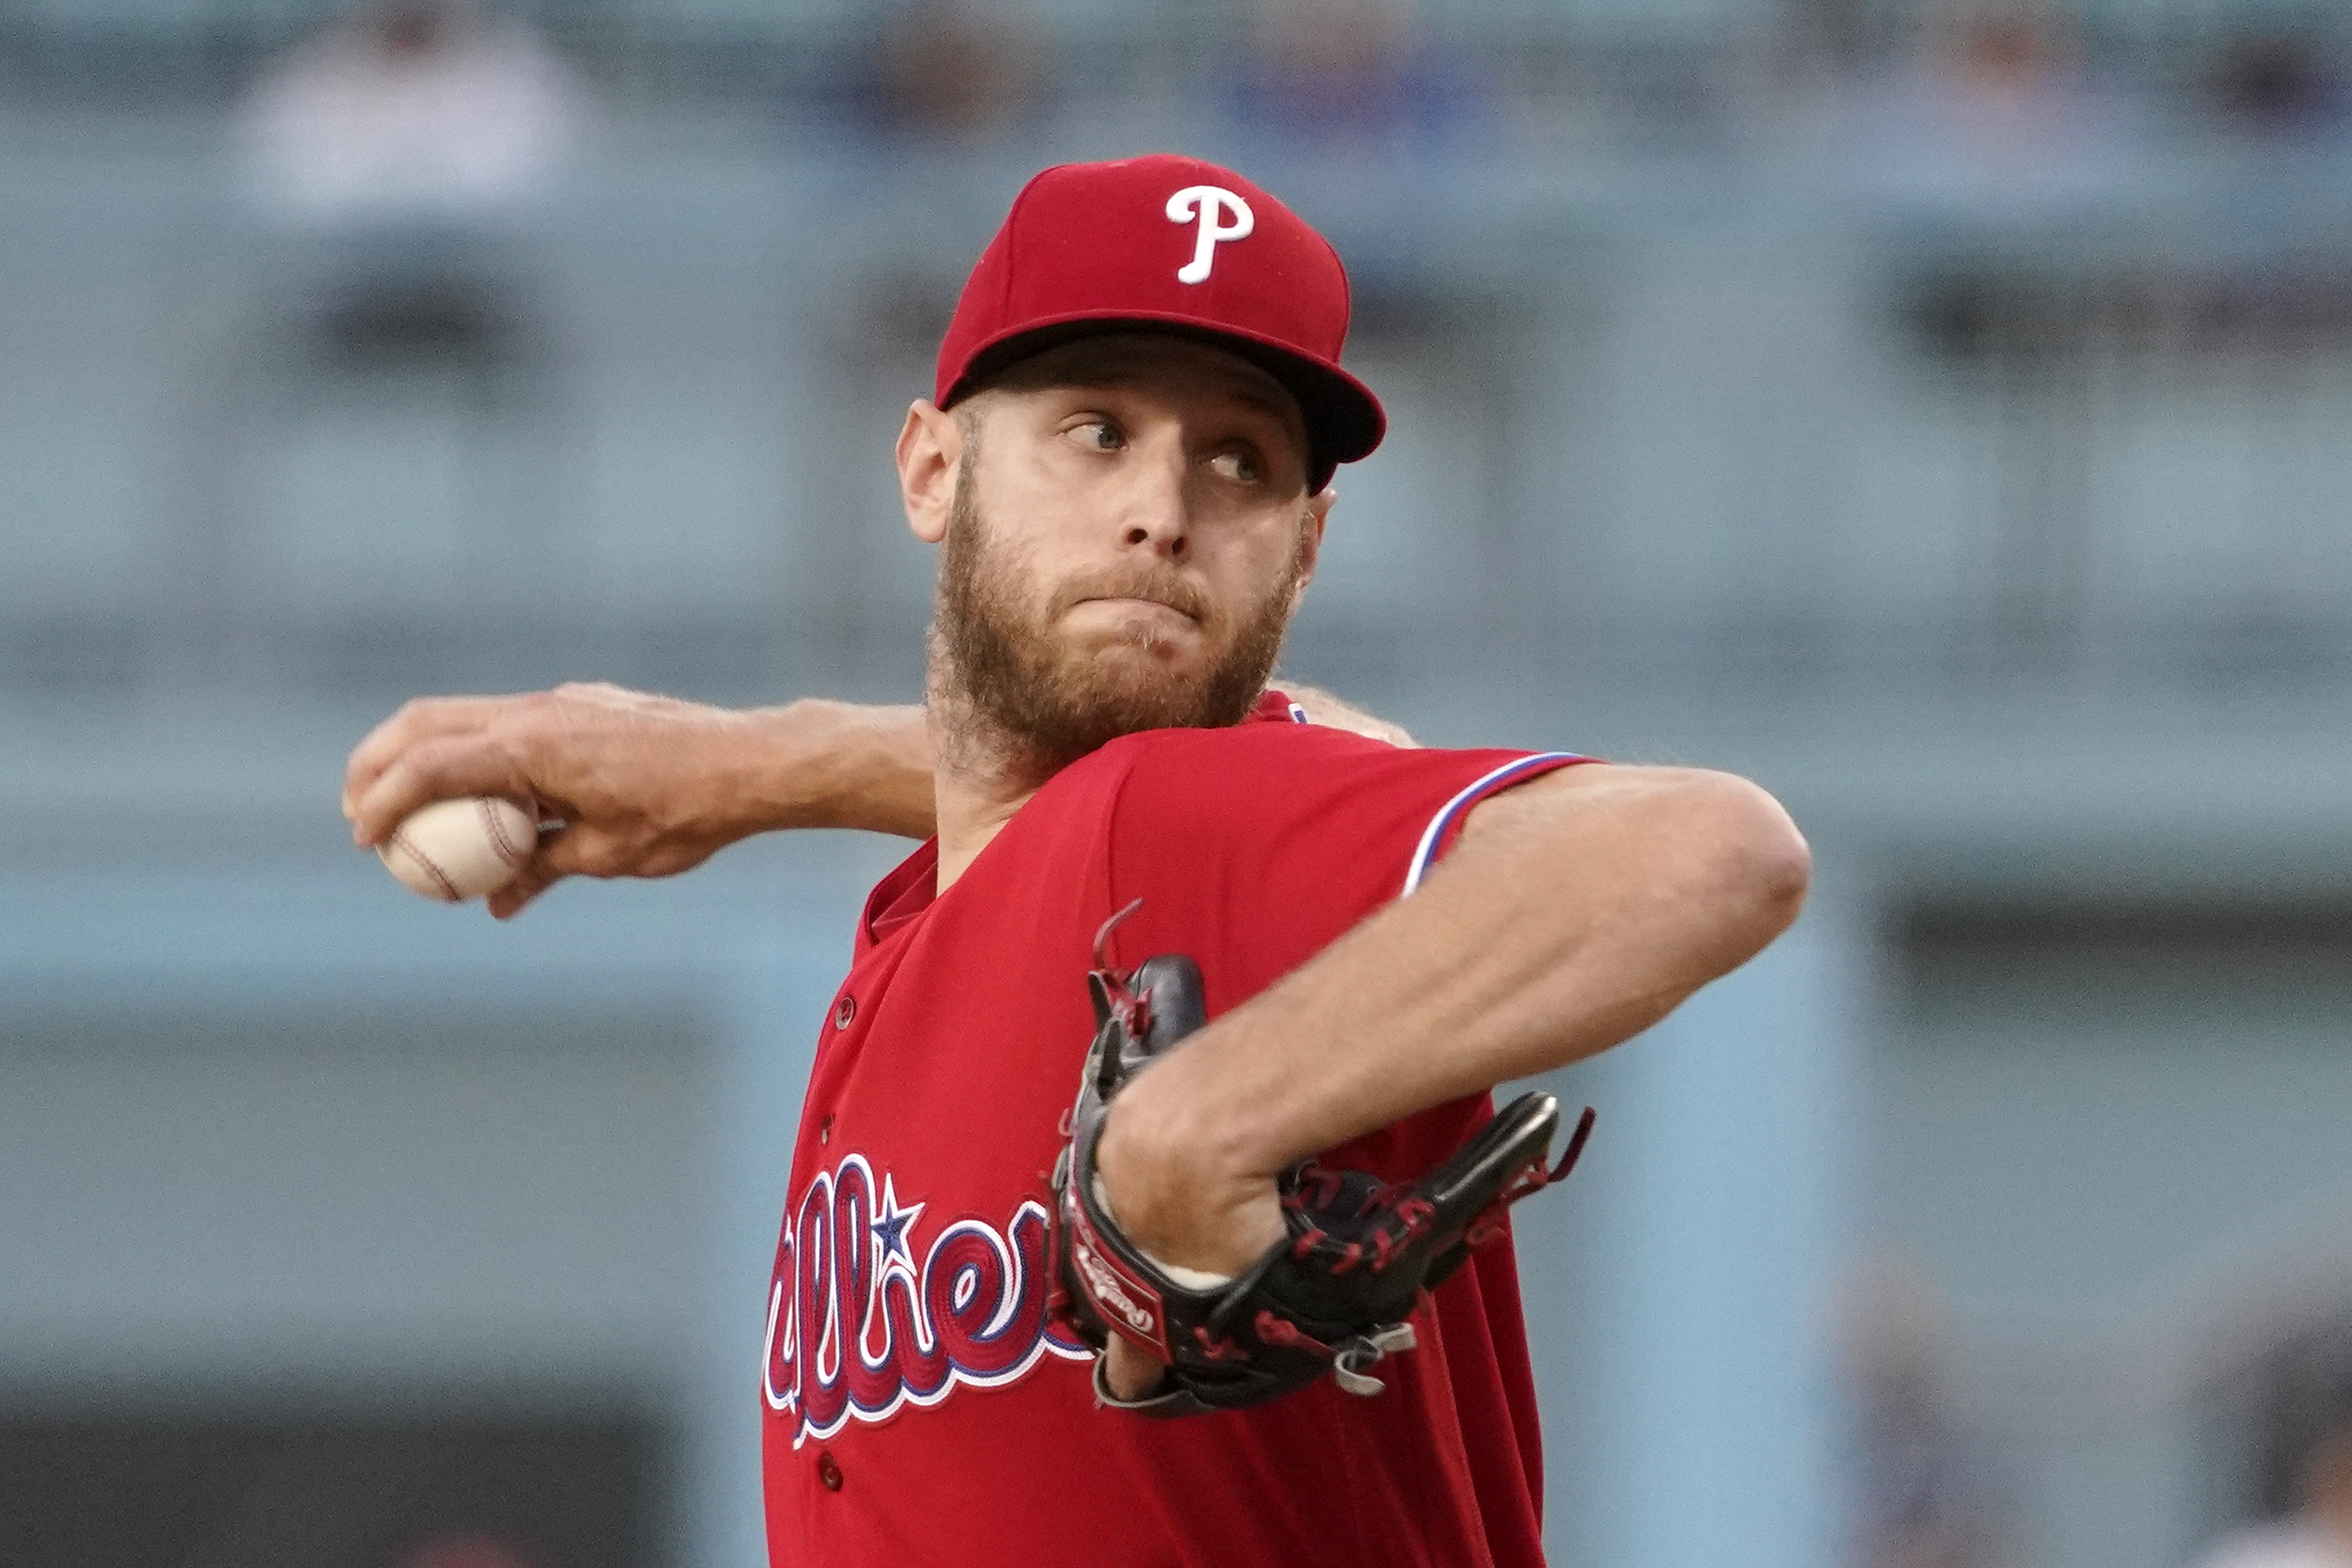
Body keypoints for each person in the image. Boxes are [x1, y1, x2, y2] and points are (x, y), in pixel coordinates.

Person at [343, 154, 1810, 1565]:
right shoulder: (929, 924)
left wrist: (1202, 1126)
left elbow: (1708, 847)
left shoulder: (1179, 829)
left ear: (1305, 551)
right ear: (931, 466)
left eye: (1237, 459)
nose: (1160, 509)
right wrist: (758, 767)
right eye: (1095, 428)